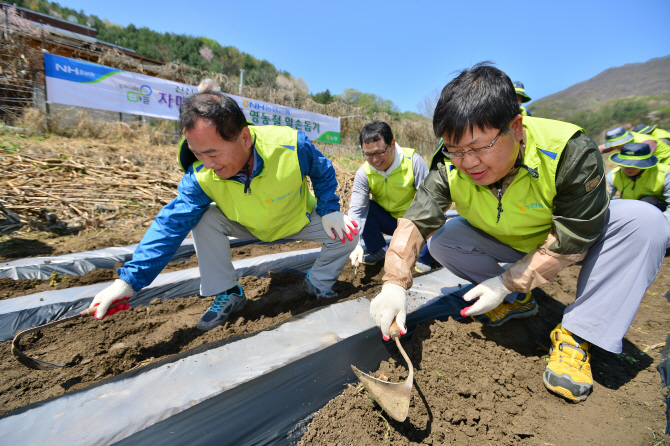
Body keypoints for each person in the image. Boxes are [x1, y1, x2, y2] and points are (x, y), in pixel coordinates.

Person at [368, 62, 670, 403]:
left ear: (516, 127)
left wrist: (505, 281)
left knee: (645, 221)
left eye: (480, 147)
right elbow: (419, 218)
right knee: (444, 238)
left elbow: (573, 236)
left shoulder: (568, 150)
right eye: (457, 150)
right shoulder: (448, 163)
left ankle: (577, 334)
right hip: (512, 242)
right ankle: (517, 303)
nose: (468, 163)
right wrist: (394, 283)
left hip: (573, 241)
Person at [89, 92, 359, 331]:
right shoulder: (200, 174)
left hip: (294, 219)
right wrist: (127, 283)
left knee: (349, 233)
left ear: (244, 137)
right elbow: (171, 224)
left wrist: (329, 209)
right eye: (197, 154)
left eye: (213, 154)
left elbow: (322, 171)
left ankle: (318, 282)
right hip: (246, 223)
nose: (206, 164)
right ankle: (229, 292)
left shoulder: (289, 145)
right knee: (203, 217)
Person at [348, 121, 436, 273]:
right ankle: (378, 250)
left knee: (429, 209)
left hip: (414, 222)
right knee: (366, 207)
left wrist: (421, 248)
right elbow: (356, 210)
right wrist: (354, 244)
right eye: (368, 154)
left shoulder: (413, 161)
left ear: (393, 143)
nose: (375, 160)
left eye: (380, 152)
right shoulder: (364, 173)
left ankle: (422, 256)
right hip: (389, 221)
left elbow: (430, 202)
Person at [606, 142, 670, 223]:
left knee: (648, 202)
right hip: (630, 211)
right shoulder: (614, 175)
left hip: (657, 212)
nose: (628, 169)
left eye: (634, 165)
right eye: (624, 165)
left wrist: (663, 223)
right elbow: (604, 199)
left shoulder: (665, 173)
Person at [600, 126, 670, 164]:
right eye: (615, 145)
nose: (617, 147)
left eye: (618, 144)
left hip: (665, 160)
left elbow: (639, 162)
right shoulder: (622, 143)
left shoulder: (645, 142)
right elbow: (602, 148)